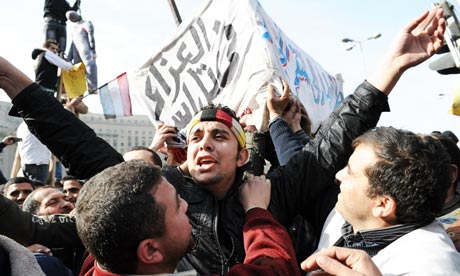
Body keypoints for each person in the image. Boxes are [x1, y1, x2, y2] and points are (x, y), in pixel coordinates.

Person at [0, 6, 446, 274]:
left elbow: (332, 140)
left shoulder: (271, 194)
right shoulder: (158, 193)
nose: (204, 144)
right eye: (195, 137)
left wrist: (390, 67)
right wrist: (16, 82)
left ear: (242, 152)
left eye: (218, 136)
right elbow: (80, 144)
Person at [77, 160, 300, 276]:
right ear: (150, 251)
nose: (186, 205)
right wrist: (256, 210)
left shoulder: (107, 248)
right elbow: (276, 268)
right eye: (177, 205)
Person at [313, 127, 460, 275]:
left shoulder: (431, 267)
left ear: (383, 204)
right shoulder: (346, 213)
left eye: (350, 172)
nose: (339, 175)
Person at [66, 11, 98, 92]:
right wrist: (93, 50)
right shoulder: (86, 23)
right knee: (90, 65)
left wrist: (68, 59)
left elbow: (72, 45)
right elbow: (91, 37)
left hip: (77, 50)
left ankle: (83, 89)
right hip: (84, 49)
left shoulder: (78, 27)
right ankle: (92, 88)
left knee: (80, 70)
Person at [16, 121, 52, 186]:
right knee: (38, 191)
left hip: (26, 163)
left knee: (30, 190)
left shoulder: (21, 126)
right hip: (38, 164)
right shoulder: (38, 122)